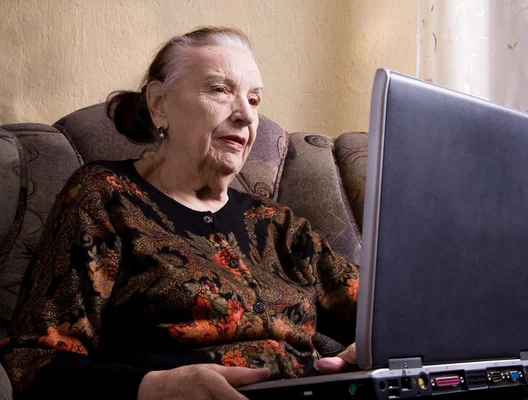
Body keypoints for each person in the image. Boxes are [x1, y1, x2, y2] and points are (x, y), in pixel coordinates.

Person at [0, 26, 359, 399]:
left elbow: (383, 312)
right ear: (159, 104)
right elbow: (35, 358)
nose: (246, 116)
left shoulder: (279, 226)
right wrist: (152, 387)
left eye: (254, 100)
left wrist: (366, 352)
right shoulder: (106, 196)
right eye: (220, 90)